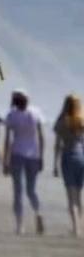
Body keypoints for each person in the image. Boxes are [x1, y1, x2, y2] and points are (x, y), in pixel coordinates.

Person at [3, 90, 45, 235]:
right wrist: (41, 157)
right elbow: (41, 137)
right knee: (31, 190)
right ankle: (38, 211)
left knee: (18, 191)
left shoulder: (11, 115)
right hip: (33, 155)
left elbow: (7, 140)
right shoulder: (35, 112)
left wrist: (5, 161)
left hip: (17, 154)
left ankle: (20, 225)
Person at [53, 94, 84, 236]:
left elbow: (57, 144)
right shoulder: (81, 120)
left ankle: (76, 228)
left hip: (68, 158)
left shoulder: (61, 121)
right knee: (79, 196)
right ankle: (80, 227)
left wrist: (55, 164)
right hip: (81, 158)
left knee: (71, 197)